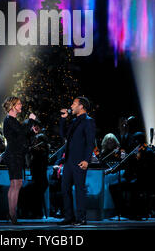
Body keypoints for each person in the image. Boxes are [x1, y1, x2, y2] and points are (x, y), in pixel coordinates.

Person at [58, 96, 96, 225]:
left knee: (79, 189)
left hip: (80, 160)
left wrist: (87, 160)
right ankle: (69, 217)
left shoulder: (88, 121)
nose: (71, 106)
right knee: (64, 188)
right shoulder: (74, 121)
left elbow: (90, 143)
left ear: (81, 106)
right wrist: (63, 120)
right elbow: (63, 135)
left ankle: (81, 218)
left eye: (74, 104)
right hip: (69, 160)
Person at [2, 96, 36, 224]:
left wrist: (31, 130)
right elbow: (22, 132)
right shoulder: (10, 120)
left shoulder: (12, 120)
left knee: (15, 184)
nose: (21, 105)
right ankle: (12, 214)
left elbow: (22, 135)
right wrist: (31, 121)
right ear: (12, 106)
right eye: (19, 103)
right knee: (16, 183)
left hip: (15, 154)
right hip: (13, 155)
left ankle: (11, 213)